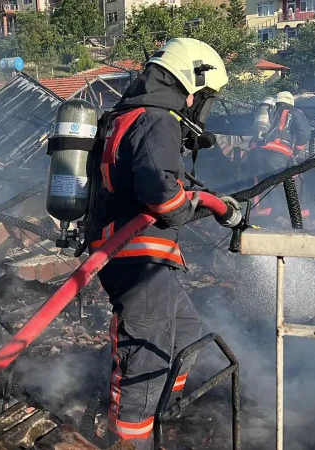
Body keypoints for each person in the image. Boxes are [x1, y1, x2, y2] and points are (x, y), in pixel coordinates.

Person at [89, 38, 240, 449]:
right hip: (136, 252)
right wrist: (202, 203)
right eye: (203, 96)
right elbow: (161, 196)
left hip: (140, 252)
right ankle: (130, 440)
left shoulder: (127, 114)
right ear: (191, 81)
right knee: (149, 350)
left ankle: (160, 410)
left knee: (186, 330)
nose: (199, 105)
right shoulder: (158, 119)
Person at [243, 90, 311, 220]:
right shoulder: (294, 112)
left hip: (255, 152)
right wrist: (297, 150)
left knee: (260, 181)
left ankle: (262, 213)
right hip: (278, 153)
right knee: (293, 179)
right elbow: (305, 134)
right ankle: (299, 213)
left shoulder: (265, 111)